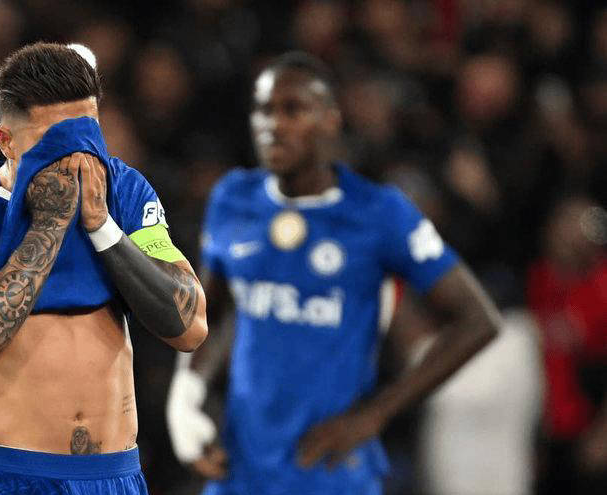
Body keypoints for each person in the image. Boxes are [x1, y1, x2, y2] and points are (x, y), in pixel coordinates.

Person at [166, 51, 501, 494]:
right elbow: (210, 314)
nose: (273, 125)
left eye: (293, 110)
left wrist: (375, 414)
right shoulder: (232, 199)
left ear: (329, 120)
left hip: (330, 470)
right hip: (241, 467)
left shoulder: (379, 212)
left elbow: (478, 320)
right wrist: (185, 397)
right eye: (264, 110)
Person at [0, 42, 207, 495]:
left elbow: (189, 326)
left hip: (115, 476)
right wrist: (50, 223)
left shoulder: (123, 191)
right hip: (10, 479)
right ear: (7, 142)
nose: (74, 157)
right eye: (53, 142)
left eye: (86, 135)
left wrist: (102, 225)